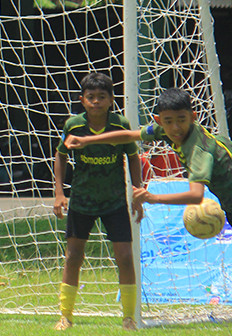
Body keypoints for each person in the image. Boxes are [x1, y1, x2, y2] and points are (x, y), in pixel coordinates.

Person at [65, 87, 232, 230]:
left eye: (181, 120)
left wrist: (152, 198)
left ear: (193, 117)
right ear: (159, 121)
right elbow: (130, 135)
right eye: (168, 121)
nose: (175, 128)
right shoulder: (166, 130)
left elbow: (196, 195)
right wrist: (87, 140)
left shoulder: (198, 150)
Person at [53, 72, 143, 331]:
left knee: (125, 257)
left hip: (114, 201)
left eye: (101, 97)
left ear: (111, 100)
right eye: (90, 97)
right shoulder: (74, 125)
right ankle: (65, 317)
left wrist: (137, 191)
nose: (96, 102)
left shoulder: (120, 125)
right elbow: (60, 157)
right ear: (82, 100)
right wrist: (60, 192)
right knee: (73, 257)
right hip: (82, 201)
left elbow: (133, 157)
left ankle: (128, 318)